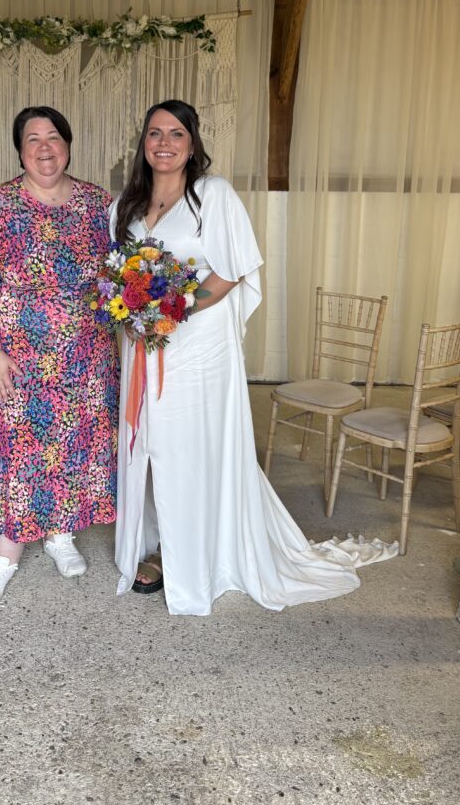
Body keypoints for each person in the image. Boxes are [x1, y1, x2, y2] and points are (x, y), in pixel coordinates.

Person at [111, 99, 396, 616]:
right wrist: (132, 311)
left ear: (192, 144)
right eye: (155, 133)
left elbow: (229, 272)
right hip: (144, 346)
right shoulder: (126, 204)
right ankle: (155, 544)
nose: (164, 143)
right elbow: (118, 273)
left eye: (176, 134)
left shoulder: (213, 195)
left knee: (192, 448)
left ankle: (199, 555)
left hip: (197, 346)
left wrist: (172, 307)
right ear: (144, 142)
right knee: (148, 445)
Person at [0, 106, 119, 604]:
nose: (45, 147)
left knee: (76, 446)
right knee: (16, 452)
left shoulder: (100, 204)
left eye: (54, 137)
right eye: (33, 139)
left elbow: (124, 275)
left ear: (68, 144)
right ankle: (4, 554)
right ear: (20, 149)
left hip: (86, 358)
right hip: (18, 360)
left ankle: (60, 534)